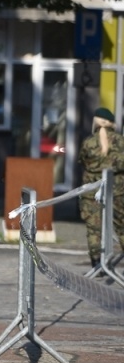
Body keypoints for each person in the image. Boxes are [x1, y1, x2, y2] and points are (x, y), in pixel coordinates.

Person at [78, 107, 124, 268]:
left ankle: (97, 264)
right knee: (122, 226)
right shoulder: (121, 141)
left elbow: (82, 161)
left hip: (92, 190)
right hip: (118, 189)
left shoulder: (88, 142)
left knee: (94, 228)